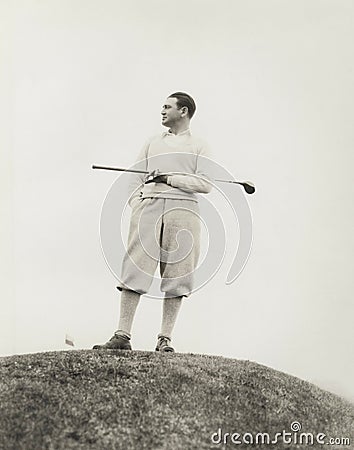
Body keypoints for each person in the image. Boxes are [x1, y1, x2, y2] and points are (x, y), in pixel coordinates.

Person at [93, 92, 213, 352]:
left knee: (178, 272)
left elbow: (205, 183)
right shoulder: (151, 142)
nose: (162, 110)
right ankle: (122, 335)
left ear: (183, 111)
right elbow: (134, 178)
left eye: (167, 107)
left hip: (184, 210)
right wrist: (138, 204)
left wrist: (170, 179)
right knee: (135, 265)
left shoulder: (199, 145)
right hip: (149, 206)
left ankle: (164, 339)